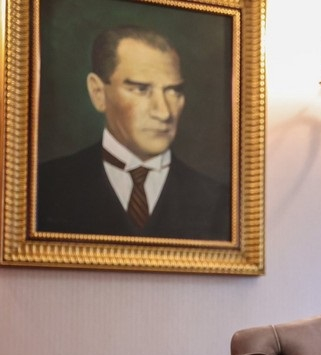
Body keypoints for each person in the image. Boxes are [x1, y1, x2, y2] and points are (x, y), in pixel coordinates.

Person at [37, 25, 230, 241]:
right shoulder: (44, 186)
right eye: (141, 89)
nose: (164, 112)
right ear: (98, 93)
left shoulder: (220, 200)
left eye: (173, 91)